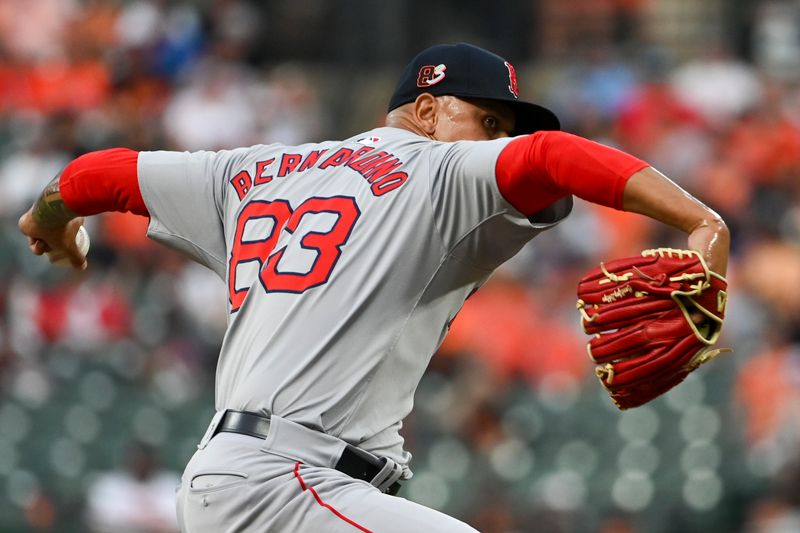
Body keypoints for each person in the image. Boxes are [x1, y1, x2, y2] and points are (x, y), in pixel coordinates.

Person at [18, 43, 729, 532]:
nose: (495, 140)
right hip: (284, 484)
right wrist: (701, 219)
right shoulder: (436, 168)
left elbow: (94, 174)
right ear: (425, 111)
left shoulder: (243, 171)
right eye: (485, 120)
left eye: (501, 129)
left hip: (254, 484)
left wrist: (50, 222)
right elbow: (550, 155)